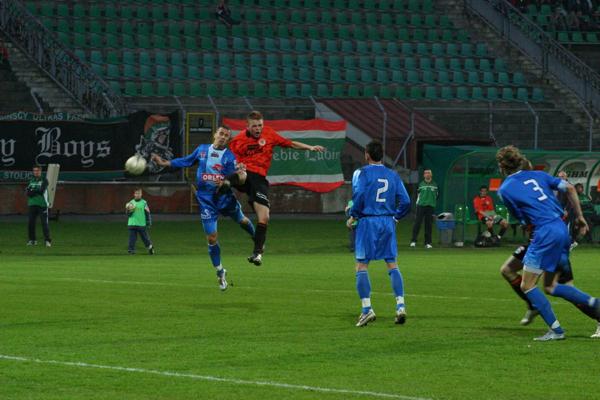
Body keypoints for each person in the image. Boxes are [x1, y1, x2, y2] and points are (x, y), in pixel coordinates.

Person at [497, 145, 600, 341]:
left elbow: (523, 220)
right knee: (552, 286)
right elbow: (569, 187)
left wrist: (527, 225)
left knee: (527, 285)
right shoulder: (539, 175)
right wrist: (579, 217)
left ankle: (556, 330)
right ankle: (594, 306)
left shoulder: (505, 189)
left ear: (502, 166)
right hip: (561, 229)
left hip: (543, 233)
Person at [152, 126, 254, 290]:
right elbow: (186, 161)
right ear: (215, 135)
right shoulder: (202, 150)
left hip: (224, 198)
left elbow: (235, 179)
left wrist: (228, 181)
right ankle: (220, 272)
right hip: (206, 200)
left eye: (226, 136)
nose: (223, 137)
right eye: (221, 134)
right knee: (211, 238)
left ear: (228, 140)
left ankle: (257, 240)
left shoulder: (229, 157)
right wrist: (166, 162)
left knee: (242, 220)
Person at [227, 111, 325, 266]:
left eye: (260, 125)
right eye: (254, 126)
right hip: (245, 175)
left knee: (264, 217)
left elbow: (290, 143)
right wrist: (236, 165)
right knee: (240, 175)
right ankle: (220, 187)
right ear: (247, 126)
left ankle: (257, 253)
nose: (258, 129)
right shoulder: (238, 140)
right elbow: (230, 159)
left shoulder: (269, 134)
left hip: (259, 180)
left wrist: (310, 147)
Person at [346, 141, 411, 327]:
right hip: (387, 222)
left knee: (361, 266)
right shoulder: (393, 174)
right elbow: (406, 201)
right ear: (381, 155)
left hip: (368, 222)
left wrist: (353, 215)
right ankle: (400, 306)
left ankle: (367, 310)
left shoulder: (362, 173)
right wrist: (396, 218)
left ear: (367, 155)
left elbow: (359, 195)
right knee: (392, 263)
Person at [410, 169, 438, 249]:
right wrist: (418, 203)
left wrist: (431, 202)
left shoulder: (435, 185)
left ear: (431, 175)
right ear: (424, 175)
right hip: (421, 206)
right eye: (426, 173)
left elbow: (437, 195)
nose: (427, 174)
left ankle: (428, 243)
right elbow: (417, 195)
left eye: (429, 173)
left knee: (428, 225)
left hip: (430, 206)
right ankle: (413, 241)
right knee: (417, 223)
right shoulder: (421, 184)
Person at [26, 165, 51, 247]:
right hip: (32, 204)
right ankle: (32, 240)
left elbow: (41, 191)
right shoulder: (31, 180)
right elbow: (27, 192)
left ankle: (47, 241)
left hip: (42, 204)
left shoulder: (44, 180)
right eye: (34, 170)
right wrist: (34, 191)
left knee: (44, 223)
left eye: (37, 170)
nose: (36, 172)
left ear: (40, 171)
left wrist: (33, 191)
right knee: (31, 223)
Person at [126, 188, 154, 256]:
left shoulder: (144, 203)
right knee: (132, 238)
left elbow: (147, 213)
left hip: (141, 224)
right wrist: (129, 211)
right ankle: (131, 250)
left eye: (139, 193)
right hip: (132, 223)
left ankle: (150, 247)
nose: (137, 195)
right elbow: (128, 214)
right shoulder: (131, 203)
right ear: (134, 194)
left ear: (141, 194)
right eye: (136, 193)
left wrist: (148, 222)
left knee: (145, 238)